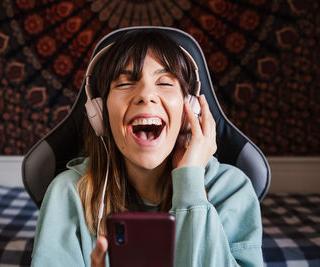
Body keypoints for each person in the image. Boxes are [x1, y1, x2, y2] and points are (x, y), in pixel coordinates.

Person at [31, 29, 263, 267]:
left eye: (164, 82)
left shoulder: (231, 189)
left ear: (189, 109)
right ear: (99, 113)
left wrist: (191, 182)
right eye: (125, 83)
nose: (145, 95)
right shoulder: (68, 193)